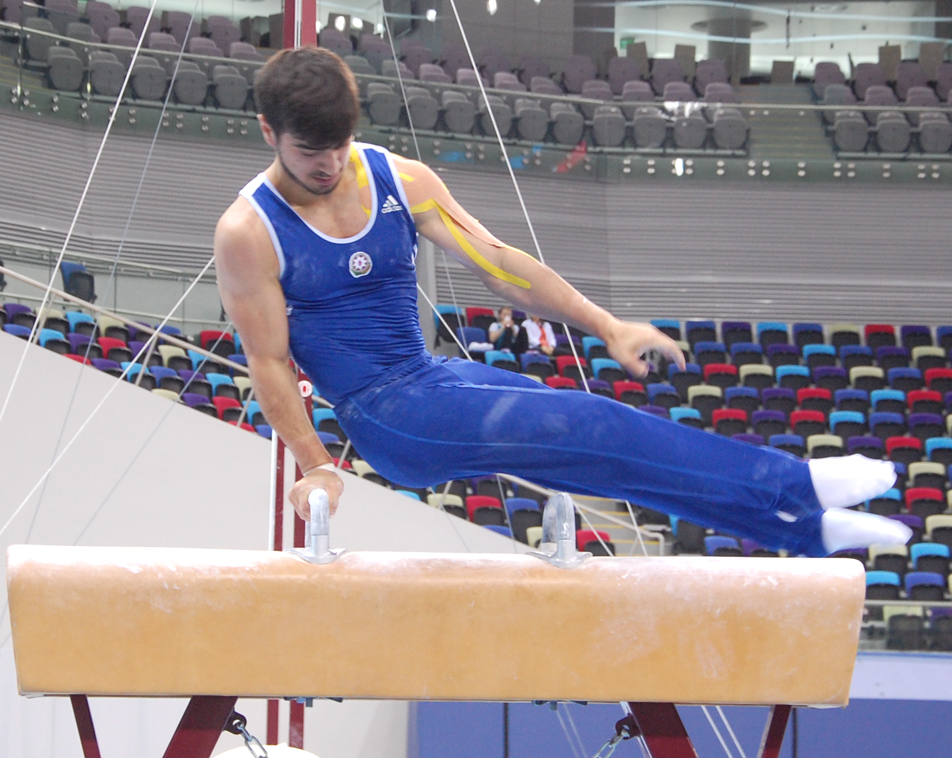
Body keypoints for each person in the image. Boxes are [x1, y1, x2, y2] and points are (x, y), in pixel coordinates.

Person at [213, 47, 908, 557]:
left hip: (431, 380)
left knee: (597, 451)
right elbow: (269, 361)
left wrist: (605, 325)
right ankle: (795, 486)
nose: (329, 165)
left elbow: (501, 267)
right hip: (390, 419)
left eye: (337, 146)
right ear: (268, 130)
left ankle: (802, 529)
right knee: (592, 425)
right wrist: (315, 464)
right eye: (310, 152)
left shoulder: (400, 178)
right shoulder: (249, 231)